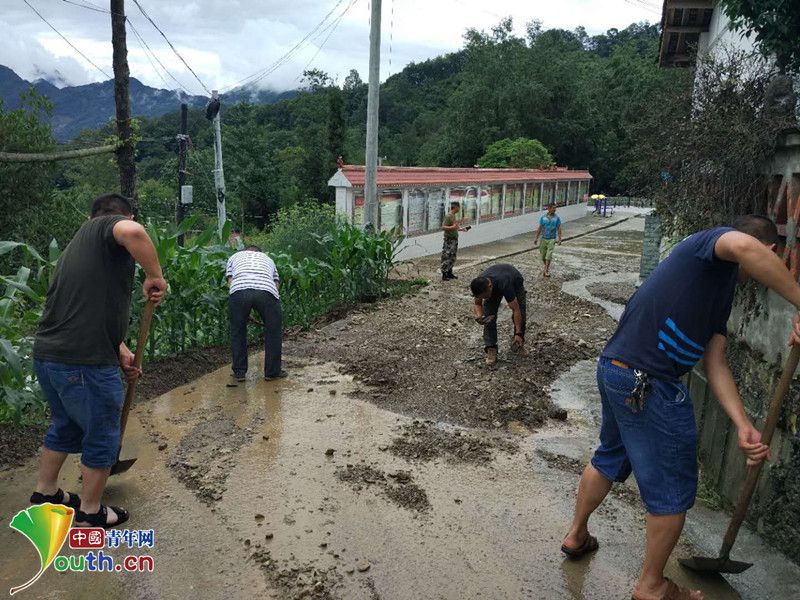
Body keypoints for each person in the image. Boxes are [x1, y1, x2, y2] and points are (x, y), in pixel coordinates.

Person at [560, 215, 800, 600]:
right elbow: (743, 246)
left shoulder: (718, 292)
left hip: (617, 370)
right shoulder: (710, 247)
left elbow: (715, 362)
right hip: (649, 382)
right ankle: (652, 587)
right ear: (770, 251)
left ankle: (576, 536)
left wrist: (742, 424)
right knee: (672, 489)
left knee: (610, 456)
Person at [31, 193, 167, 528]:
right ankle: (90, 511)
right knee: (103, 433)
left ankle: (46, 493)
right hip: (83, 363)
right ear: (123, 215)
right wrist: (155, 276)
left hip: (50, 357)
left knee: (65, 425)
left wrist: (120, 351)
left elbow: (83, 310)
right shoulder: (109, 226)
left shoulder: (76, 248)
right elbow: (133, 233)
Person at [226, 244, 286, 382]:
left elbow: (231, 281)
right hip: (266, 290)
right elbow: (275, 284)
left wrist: (242, 310)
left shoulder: (234, 257)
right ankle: (272, 372)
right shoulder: (268, 259)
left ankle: (239, 372)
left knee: (238, 331)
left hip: (239, 289)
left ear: (245, 251)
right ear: (259, 252)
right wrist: (272, 309)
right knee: (273, 331)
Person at [470, 264, 528, 365]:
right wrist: (480, 316)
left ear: (490, 287)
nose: (484, 299)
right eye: (482, 297)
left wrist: (518, 333)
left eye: (485, 296)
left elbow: (516, 310)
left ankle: (519, 341)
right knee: (489, 316)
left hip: (514, 279)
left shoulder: (505, 285)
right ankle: (491, 348)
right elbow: (477, 303)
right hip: (495, 281)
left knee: (521, 311)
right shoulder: (479, 285)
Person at [441, 202, 468, 281]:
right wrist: (453, 227)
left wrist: (462, 229)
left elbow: (454, 227)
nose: (459, 209)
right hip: (449, 240)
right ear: (455, 207)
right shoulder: (448, 216)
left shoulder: (453, 216)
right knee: (447, 256)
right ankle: (444, 274)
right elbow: (443, 227)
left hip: (454, 239)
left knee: (452, 256)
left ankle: (450, 272)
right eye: (459, 207)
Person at [534, 204, 562, 277]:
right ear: (549, 209)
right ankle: (546, 266)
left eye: (555, 208)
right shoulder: (543, 218)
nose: (555, 210)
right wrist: (536, 238)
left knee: (548, 255)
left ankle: (546, 270)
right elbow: (539, 228)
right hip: (543, 239)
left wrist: (559, 239)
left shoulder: (557, 218)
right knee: (543, 256)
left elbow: (559, 228)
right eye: (553, 208)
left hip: (552, 239)